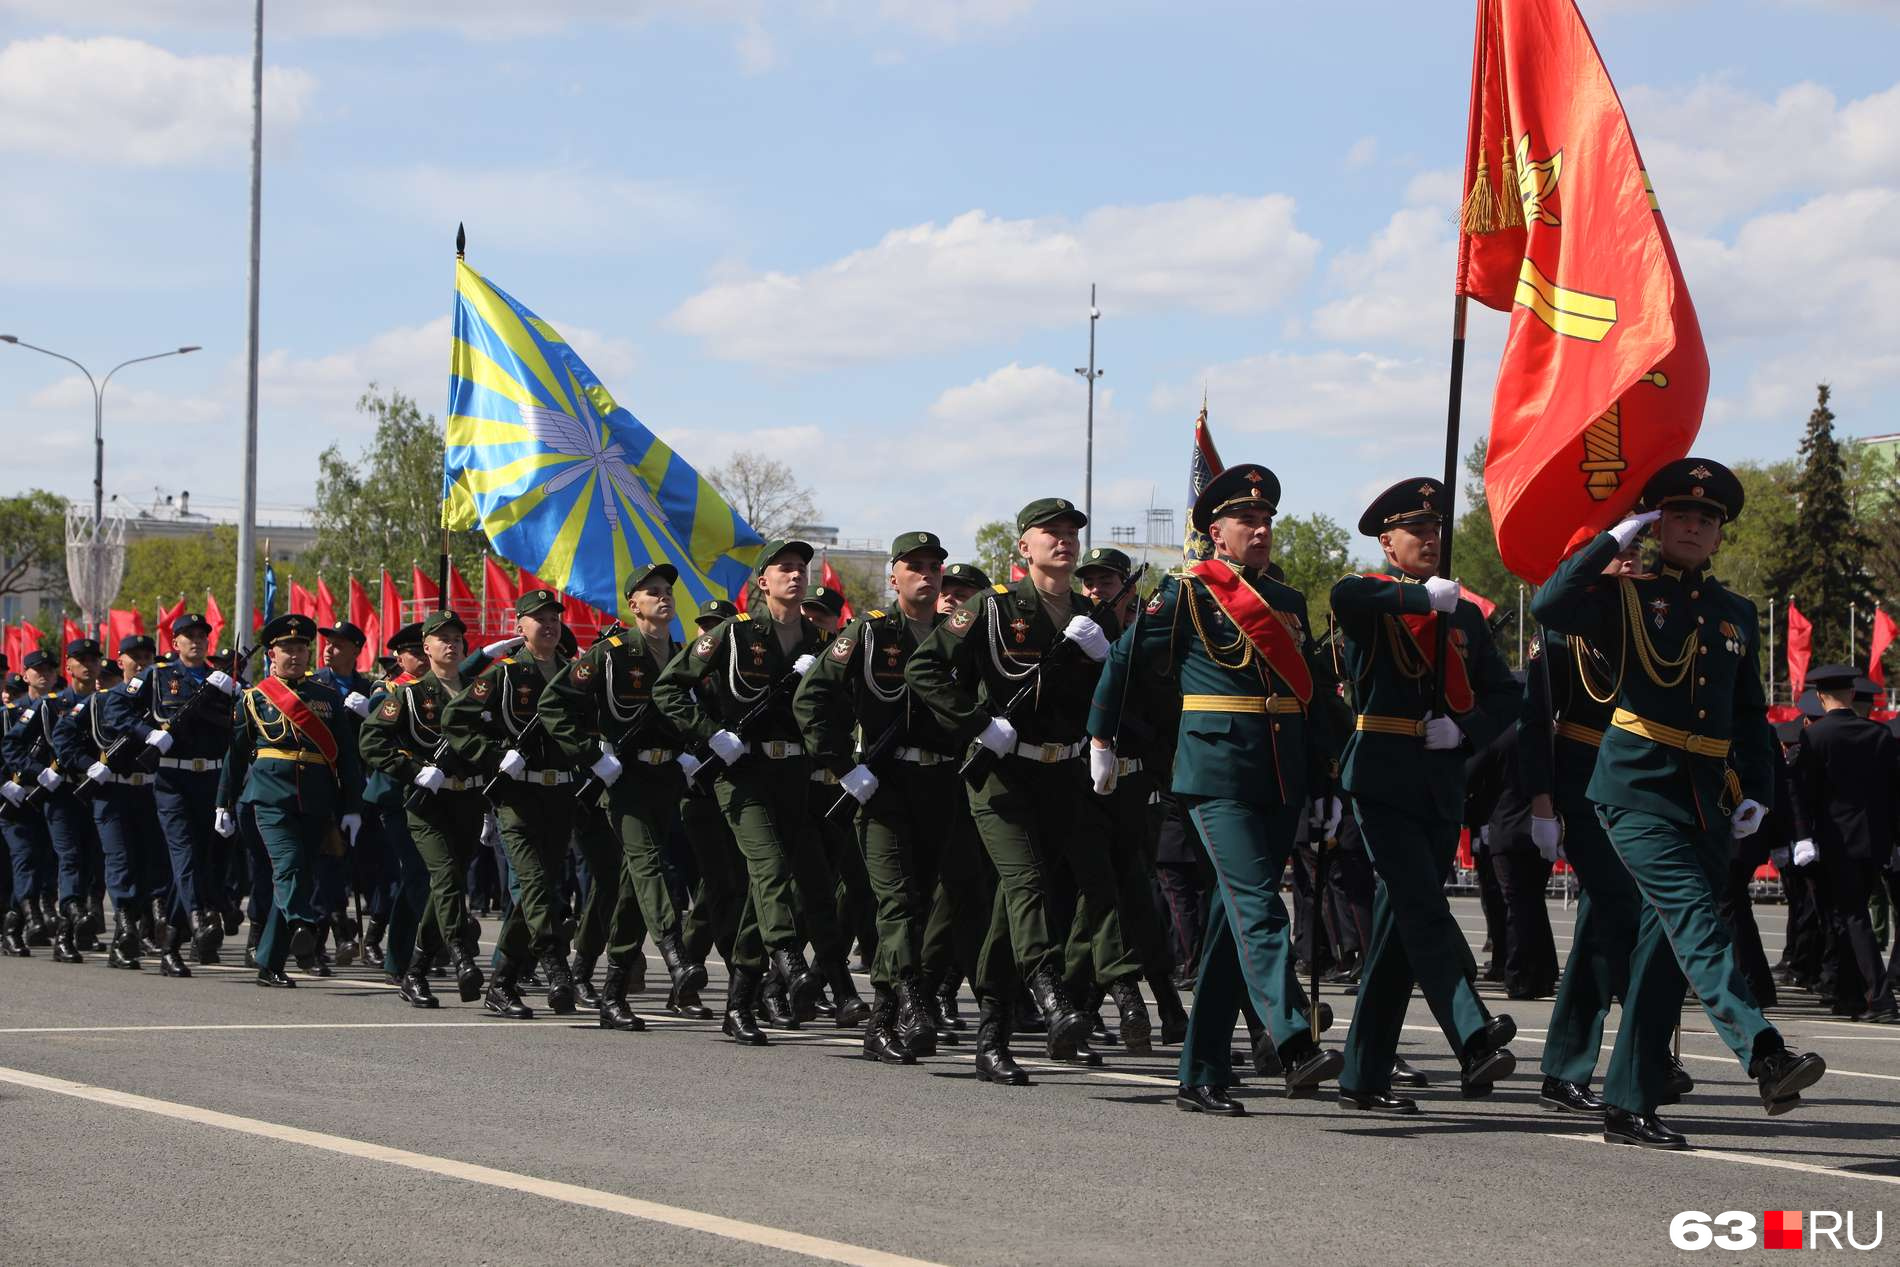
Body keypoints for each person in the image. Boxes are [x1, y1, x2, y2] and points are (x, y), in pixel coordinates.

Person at [1534, 457, 1827, 1148]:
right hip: (1634, 787)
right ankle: (1764, 1051)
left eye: (1707, 518)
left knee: (1664, 954)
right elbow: (1550, 603)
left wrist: (1758, 789)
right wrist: (1613, 537)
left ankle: (1628, 1102)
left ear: (1720, 534)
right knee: (1697, 921)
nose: (1693, 526)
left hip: (1707, 798)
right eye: (1680, 515)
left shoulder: (1733, 613)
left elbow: (1749, 712)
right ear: (1658, 523)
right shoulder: (1625, 595)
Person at [1088, 465, 1346, 1113]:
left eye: (1266, 521)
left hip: (1281, 773)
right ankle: (1292, 1039)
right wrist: (1102, 737)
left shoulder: (1285, 602)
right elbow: (1124, 661)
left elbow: (1308, 696)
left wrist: (1327, 777)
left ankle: (1199, 1071)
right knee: (1261, 906)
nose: (1260, 530)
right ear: (1215, 532)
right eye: (1246, 521)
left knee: (1235, 925)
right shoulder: (1187, 592)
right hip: (1217, 772)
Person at [906, 498, 1131, 1084]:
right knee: (1025, 882)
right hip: (1002, 774)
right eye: (1049, 534)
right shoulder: (992, 607)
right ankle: (1051, 994)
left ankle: (992, 1036)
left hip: (1061, 772)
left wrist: (1108, 662)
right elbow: (924, 669)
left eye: (1070, 535)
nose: (1063, 543)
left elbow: (1110, 696)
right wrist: (978, 722)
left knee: (1017, 905)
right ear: (1023, 548)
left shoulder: (1092, 614)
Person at [1330, 477, 1522, 1114]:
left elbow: (1505, 694)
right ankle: (1469, 1031)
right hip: (1382, 774)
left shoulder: (1464, 613)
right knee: (1416, 901)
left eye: (1438, 530)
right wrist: (1418, 599)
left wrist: (1465, 731)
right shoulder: (1377, 599)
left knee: (1397, 930)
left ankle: (1363, 1077)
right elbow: (1344, 595)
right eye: (1417, 531)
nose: (1431, 540)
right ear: (1388, 543)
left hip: (1440, 781)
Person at [1520, 541, 1694, 1114]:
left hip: (1644, 783)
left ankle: (1583, 1063)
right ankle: (1634, 1055)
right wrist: (1542, 803)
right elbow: (1536, 724)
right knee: (1620, 909)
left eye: (1639, 558)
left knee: (1614, 923)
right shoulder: (1559, 634)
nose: (1632, 566)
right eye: (1619, 557)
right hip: (1584, 779)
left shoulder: (1655, 626)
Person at [653, 540, 832, 1045]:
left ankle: (739, 1003)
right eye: (784, 569)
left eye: (801, 567)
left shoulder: (819, 640)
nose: (795, 576)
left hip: (795, 775)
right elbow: (668, 688)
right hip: (743, 771)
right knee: (769, 868)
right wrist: (709, 731)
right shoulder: (734, 634)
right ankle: (790, 960)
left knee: (766, 890)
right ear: (763, 581)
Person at [794, 530, 962, 1063]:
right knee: (897, 901)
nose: (926, 573)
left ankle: (882, 1022)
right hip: (882, 785)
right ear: (894, 577)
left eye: (934, 565)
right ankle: (913, 999)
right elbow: (812, 696)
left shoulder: (954, 635)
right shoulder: (871, 631)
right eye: (914, 565)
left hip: (941, 785)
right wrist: (843, 767)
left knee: (928, 904)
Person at [543, 563, 706, 1032]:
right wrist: (592, 754)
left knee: (636, 887)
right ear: (633, 605)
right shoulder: (611, 653)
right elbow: (554, 704)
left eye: (667, 591)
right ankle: (675, 956)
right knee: (650, 863)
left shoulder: (682, 654)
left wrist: (693, 753)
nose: (663, 598)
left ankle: (612, 993)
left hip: (667, 780)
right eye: (652, 592)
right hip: (624, 781)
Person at [442, 588, 580, 1019]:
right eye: (539, 618)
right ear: (520, 627)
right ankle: (555, 963)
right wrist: (495, 754)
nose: (550, 624)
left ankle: (501, 984)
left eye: (555, 617)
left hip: (559, 795)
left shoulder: (574, 673)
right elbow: (455, 720)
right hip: (516, 797)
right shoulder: (504, 673)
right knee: (536, 886)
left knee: (535, 894)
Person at [1075, 544, 1188, 1050]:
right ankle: (1104, 1001)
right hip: (1081, 784)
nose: (1099, 590)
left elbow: (1164, 708)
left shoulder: (1148, 635)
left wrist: (1115, 662)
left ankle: (1162, 1005)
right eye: (1091, 581)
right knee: (1094, 897)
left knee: (1138, 897)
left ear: (1130, 586)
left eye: (1109, 580)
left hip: (1137, 781)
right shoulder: (1068, 635)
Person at [215, 614, 362, 988]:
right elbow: (235, 754)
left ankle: (270, 962)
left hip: (316, 798)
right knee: (289, 867)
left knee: (299, 876)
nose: (295, 656)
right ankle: (304, 923)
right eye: (287, 649)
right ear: (271, 655)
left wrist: (351, 809)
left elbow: (346, 756)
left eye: (301, 648)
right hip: (268, 797)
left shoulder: (328, 698)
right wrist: (223, 802)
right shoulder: (254, 699)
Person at [108, 611, 239, 966]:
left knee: (201, 859)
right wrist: (148, 734)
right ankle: (198, 919)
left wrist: (238, 695)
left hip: (211, 778)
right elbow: (115, 708)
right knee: (183, 854)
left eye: (201, 635)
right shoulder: (158, 676)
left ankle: (170, 943)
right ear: (174, 642)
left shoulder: (222, 679)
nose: (195, 641)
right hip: (172, 780)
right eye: (187, 635)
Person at [1788, 664, 1900, 1022]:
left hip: (1835, 841)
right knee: (1845, 917)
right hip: (1874, 841)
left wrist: (1803, 836)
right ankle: (1850, 996)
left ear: (1821, 697)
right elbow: (1892, 794)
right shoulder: (1879, 735)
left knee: (1851, 917)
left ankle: (1880, 998)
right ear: (1852, 694)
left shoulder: (1816, 737)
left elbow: (1801, 792)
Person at [70, 634, 172, 972]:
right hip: (112, 792)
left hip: (150, 791)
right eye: (133, 656)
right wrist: (87, 765)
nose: (140, 662)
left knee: (152, 860)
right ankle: (125, 930)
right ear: (120, 660)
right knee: (120, 861)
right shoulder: (100, 701)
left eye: (146, 656)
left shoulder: (163, 702)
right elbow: (63, 738)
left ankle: (148, 924)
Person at [6, 638, 107, 965]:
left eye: (94, 659)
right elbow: (11, 747)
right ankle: (63, 926)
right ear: (71, 667)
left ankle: (72, 927)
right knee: (67, 858)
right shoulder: (50, 705)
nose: (89, 665)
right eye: (81, 659)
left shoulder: (106, 702)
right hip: (60, 794)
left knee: (93, 863)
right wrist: (36, 772)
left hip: (96, 792)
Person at [313, 620, 383, 968]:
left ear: (357, 650)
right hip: (322, 784)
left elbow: (387, 733)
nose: (329, 649)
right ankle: (329, 934)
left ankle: (362, 936)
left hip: (361, 788)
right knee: (327, 862)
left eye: (339, 644)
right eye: (328, 643)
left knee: (364, 864)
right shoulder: (313, 685)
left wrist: (370, 713)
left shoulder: (370, 688)